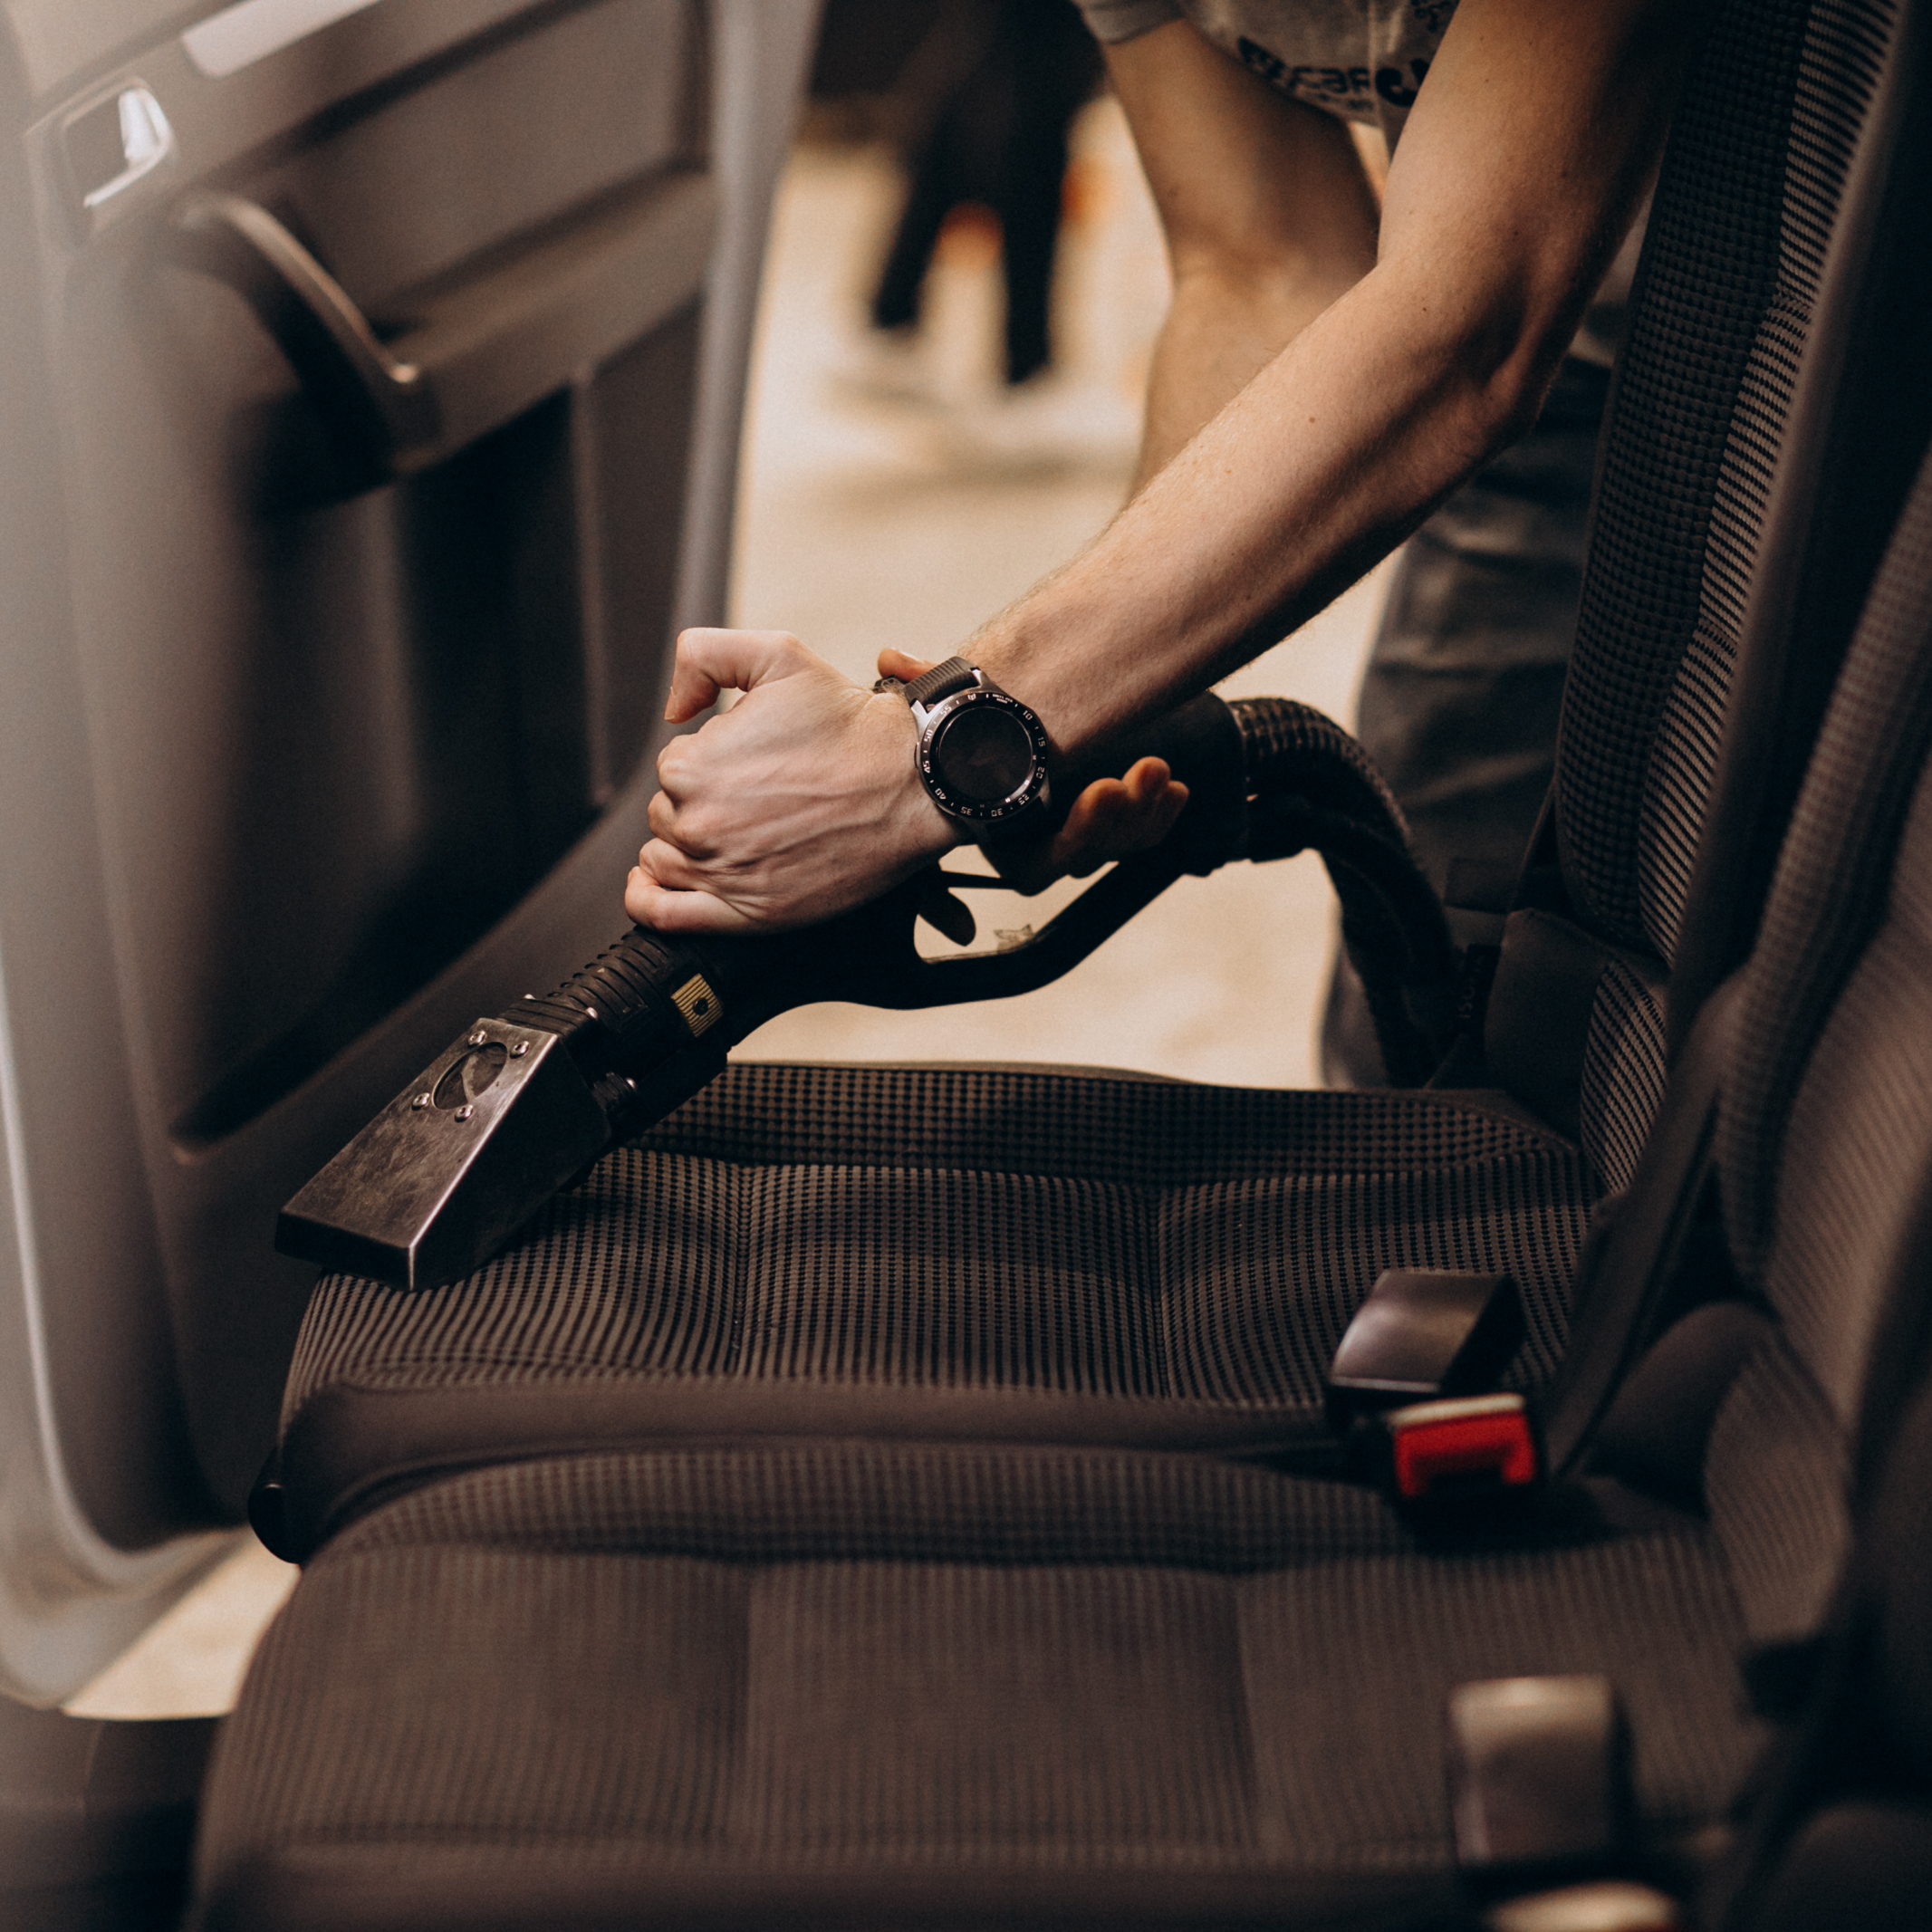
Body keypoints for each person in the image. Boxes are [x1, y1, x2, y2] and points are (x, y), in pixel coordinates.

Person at [624, 0, 1706, 969]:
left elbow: (1476, 318)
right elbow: (1262, 262)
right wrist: (1097, 704)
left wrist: (916, 762)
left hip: (1791, 332)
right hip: (1537, 370)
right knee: (1448, 957)